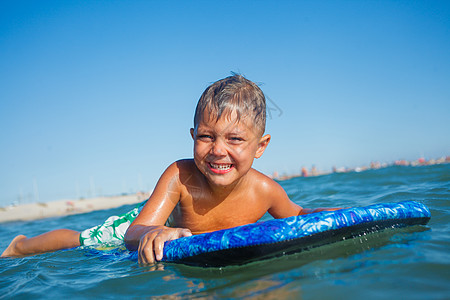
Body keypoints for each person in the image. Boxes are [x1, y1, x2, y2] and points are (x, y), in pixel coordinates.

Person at [2, 74, 339, 262]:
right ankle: (20, 244)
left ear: (260, 146)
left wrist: (324, 212)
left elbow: (297, 215)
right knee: (86, 240)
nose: (218, 150)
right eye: (206, 137)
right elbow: (136, 231)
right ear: (193, 136)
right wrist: (151, 232)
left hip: (170, 234)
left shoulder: (266, 190)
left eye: (235, 139)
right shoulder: (180, 174)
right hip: (146, 223)